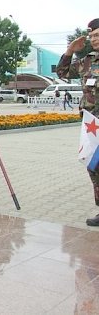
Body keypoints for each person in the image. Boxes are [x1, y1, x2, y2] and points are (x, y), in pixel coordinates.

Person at [56, 18, 99, 226]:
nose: (94, 39)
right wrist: (70, 51)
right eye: (92, 36)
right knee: (94, 166)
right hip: (92, 126)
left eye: (97, 35)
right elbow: (62, 72)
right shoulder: (87, 61)